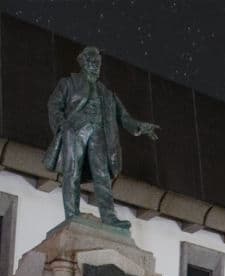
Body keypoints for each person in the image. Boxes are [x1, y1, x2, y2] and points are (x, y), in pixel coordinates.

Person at [43, 46, 158, 230]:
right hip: (74, 130)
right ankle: (72, 214)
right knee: (72, 172)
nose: (95, 66)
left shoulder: (106, 93)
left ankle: (109, 217)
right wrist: (62, 125)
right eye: (91, 62)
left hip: (99, 134)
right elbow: (54, 104)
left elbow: (123, 117)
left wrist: (139, 127)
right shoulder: (68, 83)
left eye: (98, 63)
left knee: (102, 175)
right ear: (82, 63)